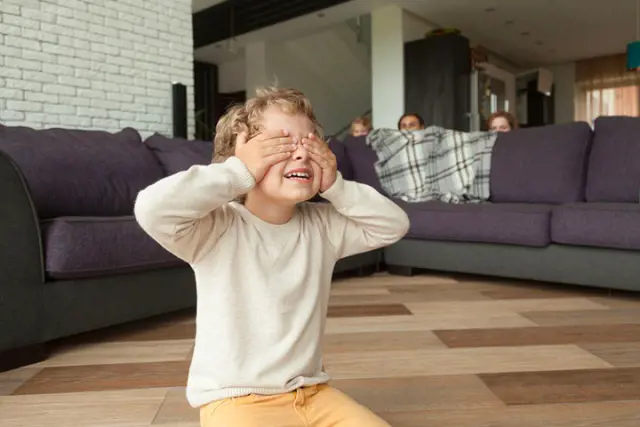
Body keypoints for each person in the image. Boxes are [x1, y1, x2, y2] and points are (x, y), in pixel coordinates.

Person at [134, 86, 409, 427]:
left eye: (310, 144)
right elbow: (151, 208)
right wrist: (237, 171)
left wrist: (335, 184)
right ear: (241, 157)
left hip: (313, 394)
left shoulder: (322, 228)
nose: (301, 155)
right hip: (235, 400)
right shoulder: (215, 229)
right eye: (280, 145)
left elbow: (393, 225)